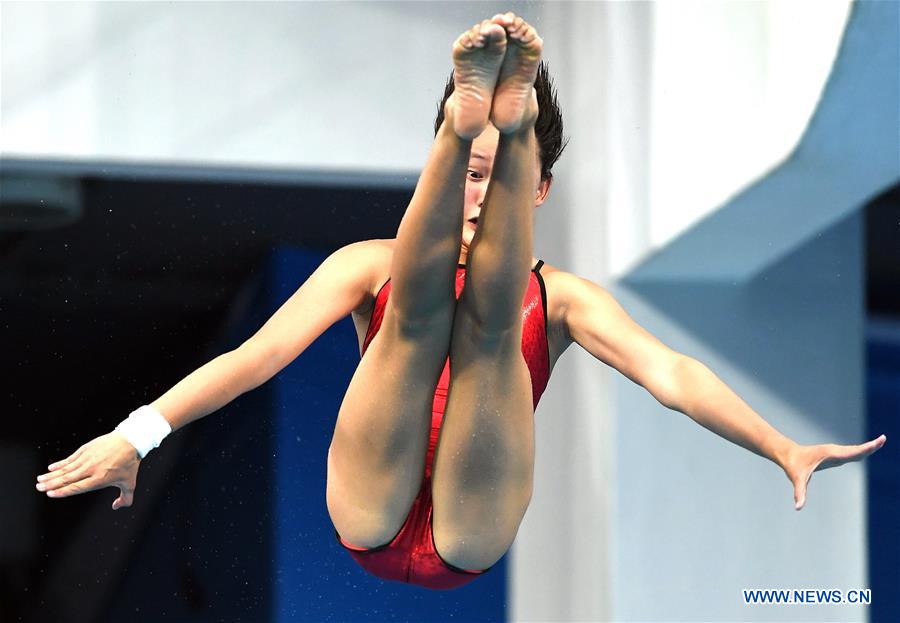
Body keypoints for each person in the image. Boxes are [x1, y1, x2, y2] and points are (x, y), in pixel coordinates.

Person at [36, 13, 886, 591]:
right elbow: (254, 357)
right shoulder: (368, 265)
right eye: (469, 175)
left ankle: (496, 120)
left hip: (464, 540)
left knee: (490, 332)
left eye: (495, 175)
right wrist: (136, 434)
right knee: (412, 318)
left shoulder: (566, 300)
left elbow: (670, 372)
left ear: (538, 188)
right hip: (369, 509)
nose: (476, 200)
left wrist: (778, 444)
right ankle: (471, 118)